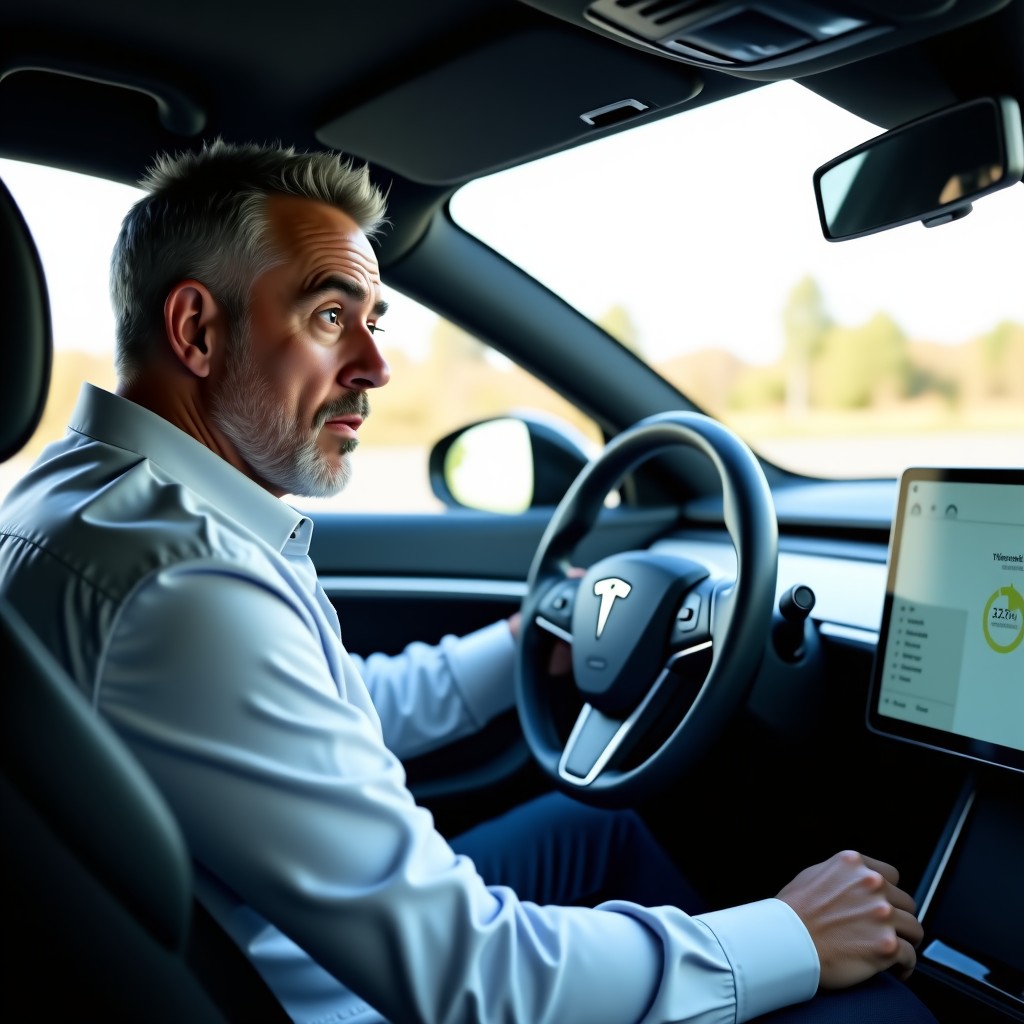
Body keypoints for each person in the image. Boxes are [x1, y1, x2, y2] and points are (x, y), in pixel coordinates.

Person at [0, 140, 936, 1024]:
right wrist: (792, 938)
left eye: (373, 322)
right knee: (873, 1006)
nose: (375, 367)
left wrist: (524, 643)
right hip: (331, 997)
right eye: (331, 317)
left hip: (268, 958)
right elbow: (475, 983)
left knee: (597, 828)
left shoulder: (70, 500)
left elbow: (320, 713)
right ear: (196, 329)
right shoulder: (187, 585)